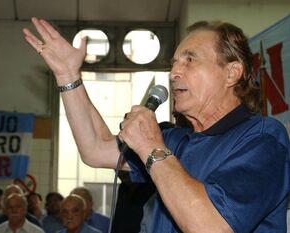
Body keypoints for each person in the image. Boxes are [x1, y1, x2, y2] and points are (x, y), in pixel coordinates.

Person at [23, 18, 290, 232]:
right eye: (173, 63)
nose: (174, 73)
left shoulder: (263, 138)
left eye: (190, 59)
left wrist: (151, 147)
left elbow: (211, 226)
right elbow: (94, 148)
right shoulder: (174, 141)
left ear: (232, 72)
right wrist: (68, 76)